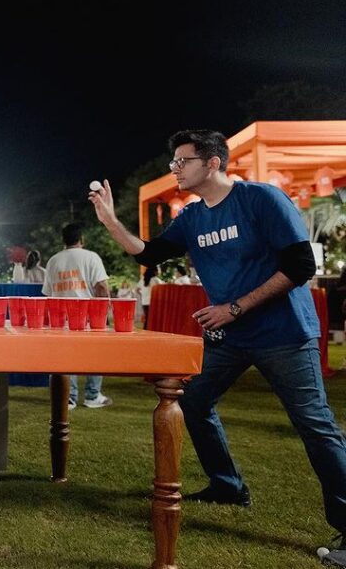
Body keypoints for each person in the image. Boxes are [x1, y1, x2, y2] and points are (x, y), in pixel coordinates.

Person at [89, 129, 346, 564]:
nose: (174, 168)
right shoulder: (191, 217)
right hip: (230, 338)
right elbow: (149, 254)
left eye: (182, 161)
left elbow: (300, 265)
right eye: (172, 161)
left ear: (212, 163)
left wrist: (235, 308)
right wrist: (111, 222)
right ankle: (227, 485)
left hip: (283, 333)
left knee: (315, 427)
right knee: (192, 400)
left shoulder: (261, 199)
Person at [42, 223, 112, 410]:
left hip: (60, 314)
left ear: (63, 240)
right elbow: (102, 287)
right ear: (82, 239)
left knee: (64, 357)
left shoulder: (53, 261)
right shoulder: (91, 257)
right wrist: (104, 310)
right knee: (94, 355)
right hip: (87, 311)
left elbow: (48, 293)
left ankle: (67, 398)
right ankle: (92, 395)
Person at [139, 265, 162, 329]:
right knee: (153, 319)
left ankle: (145, 330)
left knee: (147, 318)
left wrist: (142, 294)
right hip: (153, 302)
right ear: (155, 272)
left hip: (144, 302)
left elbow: (137, 289)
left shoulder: (143, 279)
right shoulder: (156, 280)